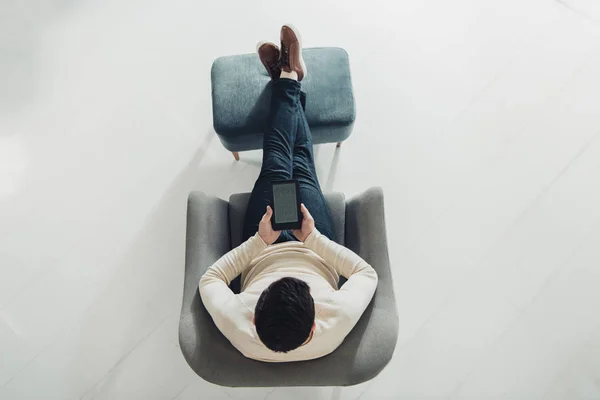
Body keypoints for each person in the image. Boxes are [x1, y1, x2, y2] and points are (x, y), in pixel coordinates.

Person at [199, 24, 378, 362]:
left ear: (251, 316)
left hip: (261, 246)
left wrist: (259, 242)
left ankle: (289, 78)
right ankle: (289, 78)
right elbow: (366, 274)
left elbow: (210, 280)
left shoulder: (239, 327)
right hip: (314, 245)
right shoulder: (336, 321)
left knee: (279, 164)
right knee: (302, 165)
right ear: (315, 327)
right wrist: (311, 239)